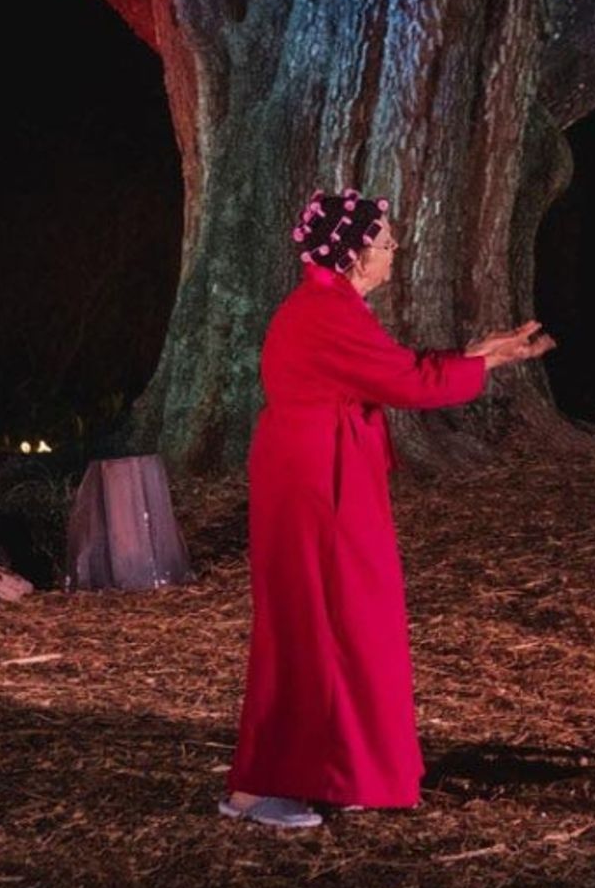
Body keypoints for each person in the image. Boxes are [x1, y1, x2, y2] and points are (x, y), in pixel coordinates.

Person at [222, 186, 553, 828]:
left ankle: (338, 768)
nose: (394, 254)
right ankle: (257, 786)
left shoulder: (332, 305)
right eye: (385, 244)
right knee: (310, 628)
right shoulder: (323, 312)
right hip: (315, 489)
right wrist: (483, 361)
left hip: (329, 480)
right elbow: (406, 382)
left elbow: (393, 367)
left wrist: (485, 354)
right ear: (351, 256)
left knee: (347, 624)